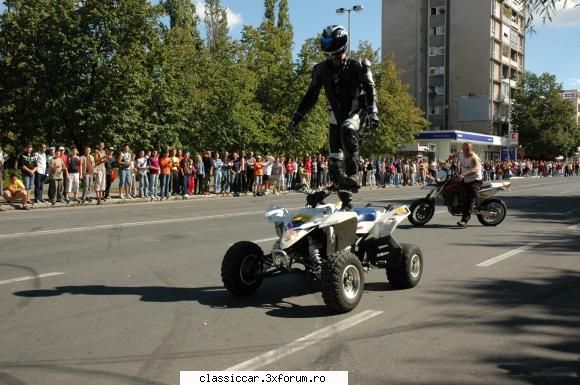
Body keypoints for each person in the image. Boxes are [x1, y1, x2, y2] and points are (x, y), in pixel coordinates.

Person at [288, 25, 378, 210]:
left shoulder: (358, 65)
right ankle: (346, 201)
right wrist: (298, 115)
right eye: (329, 57)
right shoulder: (321, 69)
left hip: (355, 111)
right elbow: (311, 95)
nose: (333, 61)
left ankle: (353, 174)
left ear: (343, 50)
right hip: (335, 116)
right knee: (334, 163)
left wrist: (372, 111)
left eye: (336, 56)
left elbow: (370, 88)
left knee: (348, 128)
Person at [446, 142, 483, 228]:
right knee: (451, 186)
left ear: (472, 150)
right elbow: (452, 155)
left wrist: (463, 175)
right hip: (464, 178)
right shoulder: (460, 153)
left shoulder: (474, 158)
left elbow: (475, 169)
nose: (465, 151)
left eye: (467, 149)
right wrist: (445, 160)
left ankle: (465, 220)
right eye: (464, 149)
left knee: (469, 199)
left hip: (475, 180)